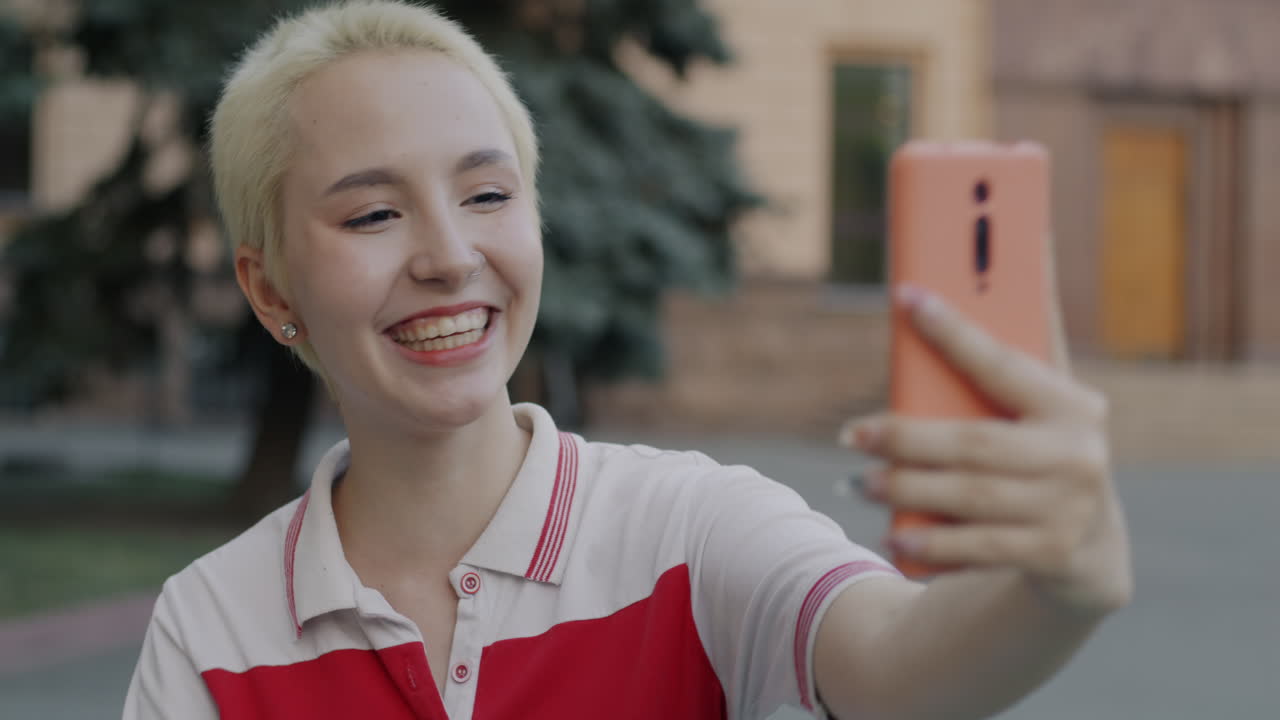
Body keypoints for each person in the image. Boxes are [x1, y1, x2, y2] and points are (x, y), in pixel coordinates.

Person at [123, 2, 1133, 718]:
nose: (447, 256)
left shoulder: (688, 533)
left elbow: (894, 667)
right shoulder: (210, 630)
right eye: (374, 213)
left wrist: (1052, 592)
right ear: (268, 290)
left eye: (487, 194)